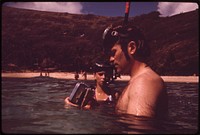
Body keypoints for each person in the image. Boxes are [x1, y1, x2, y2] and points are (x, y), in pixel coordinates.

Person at [102, 24, 168, 118]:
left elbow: (137, 129)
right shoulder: (137, 81)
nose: (111, 59)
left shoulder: (144, 82)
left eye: (113, 53)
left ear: (132, 48)